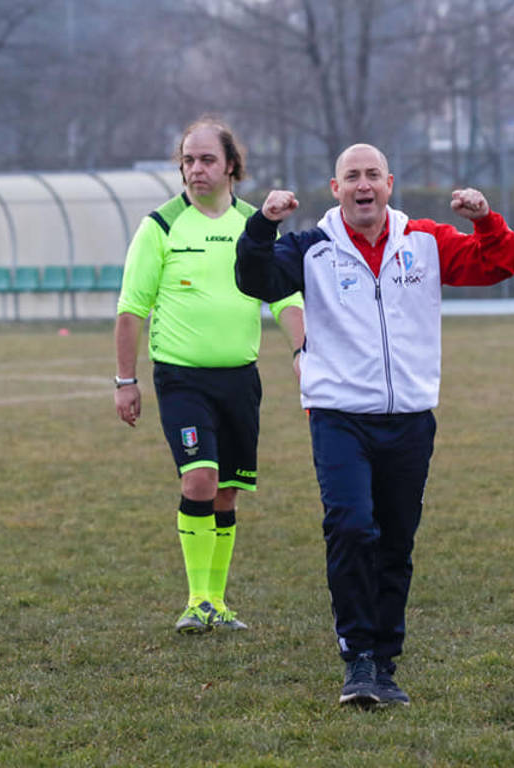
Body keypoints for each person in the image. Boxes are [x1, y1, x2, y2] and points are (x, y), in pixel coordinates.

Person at [235, 143, 514, 706]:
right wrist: (263, 226)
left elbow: (496, 263)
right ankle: (357, 657)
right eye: (351, 177)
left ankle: (384, 661)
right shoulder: (311, 247)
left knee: (394, 541)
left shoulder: (427, 241)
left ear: (390, 183)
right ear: (335, 189)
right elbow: (254, 279)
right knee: (351, 528)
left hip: (410, 420)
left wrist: (485, 219)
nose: (363, 185)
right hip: (339, 417)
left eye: (372, 176)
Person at [114, 117, 304, 634]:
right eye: (188, 160)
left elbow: (284, 294)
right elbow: (132, 308)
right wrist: (125, 380)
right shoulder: (161, 225)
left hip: (240, 379)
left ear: (231, 167)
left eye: (206, 160)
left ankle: (218, 603)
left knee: (227, 491)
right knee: (199, 479)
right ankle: (196, 600)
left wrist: (301, 348)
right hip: (182, 379)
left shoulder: (254, 225)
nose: (195, 169)